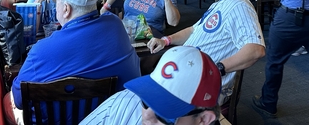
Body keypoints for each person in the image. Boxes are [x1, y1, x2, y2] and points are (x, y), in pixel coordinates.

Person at [4, 0, 141, 125]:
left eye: (57, 1)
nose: (55, 5)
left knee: (7, 100)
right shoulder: (115, 25)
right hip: (109, 119)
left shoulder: (41, 50)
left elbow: (18, 99)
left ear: (66, 9)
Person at [147, 0, 265, 102]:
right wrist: (165, 40)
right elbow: (192, 30)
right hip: (184, 72)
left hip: (201, 86)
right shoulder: (218, 5)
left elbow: (256, 50)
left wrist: (217, 69)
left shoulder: (240, 5)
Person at [80, 46, 222, 125]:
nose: (146, 116)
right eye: (147, 100)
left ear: (203, 119)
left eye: (164, 115)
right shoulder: (122, 103)